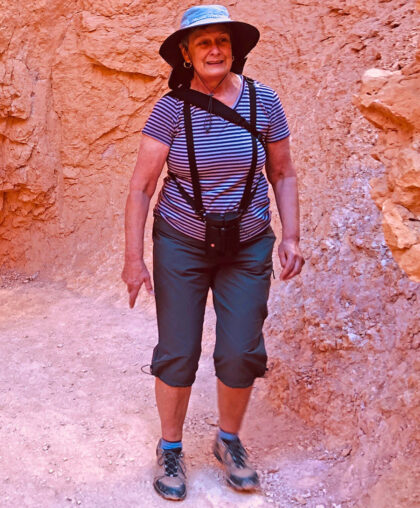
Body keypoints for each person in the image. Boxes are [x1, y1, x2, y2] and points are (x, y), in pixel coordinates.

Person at [122, 5, 305, 501]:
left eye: (222, 41)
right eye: (203, 43)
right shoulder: (170, 109)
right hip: (182, 241)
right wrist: (134, 259)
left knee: (241, 351)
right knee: (178, 351)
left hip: (247, 244)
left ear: (235, 49)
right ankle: (171, 447)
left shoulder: (264, 102)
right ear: (186, 53)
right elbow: (141, 188)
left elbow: (283, 173)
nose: (215, 50)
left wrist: (290, 236)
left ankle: (228, 441)